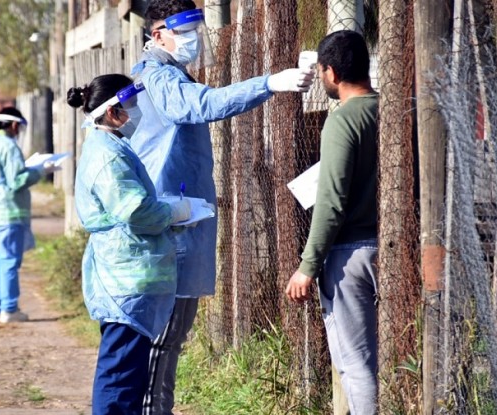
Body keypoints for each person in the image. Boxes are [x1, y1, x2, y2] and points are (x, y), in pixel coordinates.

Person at [129, 1, 314, 413]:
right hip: (170, 228)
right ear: (158, 34)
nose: (195, 39)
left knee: (169, 339)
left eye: (197, 29)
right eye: (186, 31)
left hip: (175, 221)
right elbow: (200, 105)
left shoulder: (167, 73)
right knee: (164, 338)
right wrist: (270, 83)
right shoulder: (159, 76)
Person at [68, 74, 193, 415]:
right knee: (121, 375)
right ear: (112, 113)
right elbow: (135, 210)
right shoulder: (108, 154)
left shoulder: (111, 146)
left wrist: (166, 210)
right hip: (125, 281)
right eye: (132, 106)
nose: (137, 113)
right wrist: (175, 211)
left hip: (129, 277)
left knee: (129, 374)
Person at [285, 30, 379, 415]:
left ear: (332, 72)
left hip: (350, 256)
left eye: (322, 70)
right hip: (398, 246)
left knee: (356, 365)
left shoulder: (342, 121)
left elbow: (332, 201)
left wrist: (308, 266)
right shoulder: (396, 111)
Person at [0, 107, 56, 324]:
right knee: (9, 261)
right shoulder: (10, 147)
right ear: (14, 125)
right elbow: (16, 181)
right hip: (10, 213)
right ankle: (9, 309)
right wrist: (40, 171)